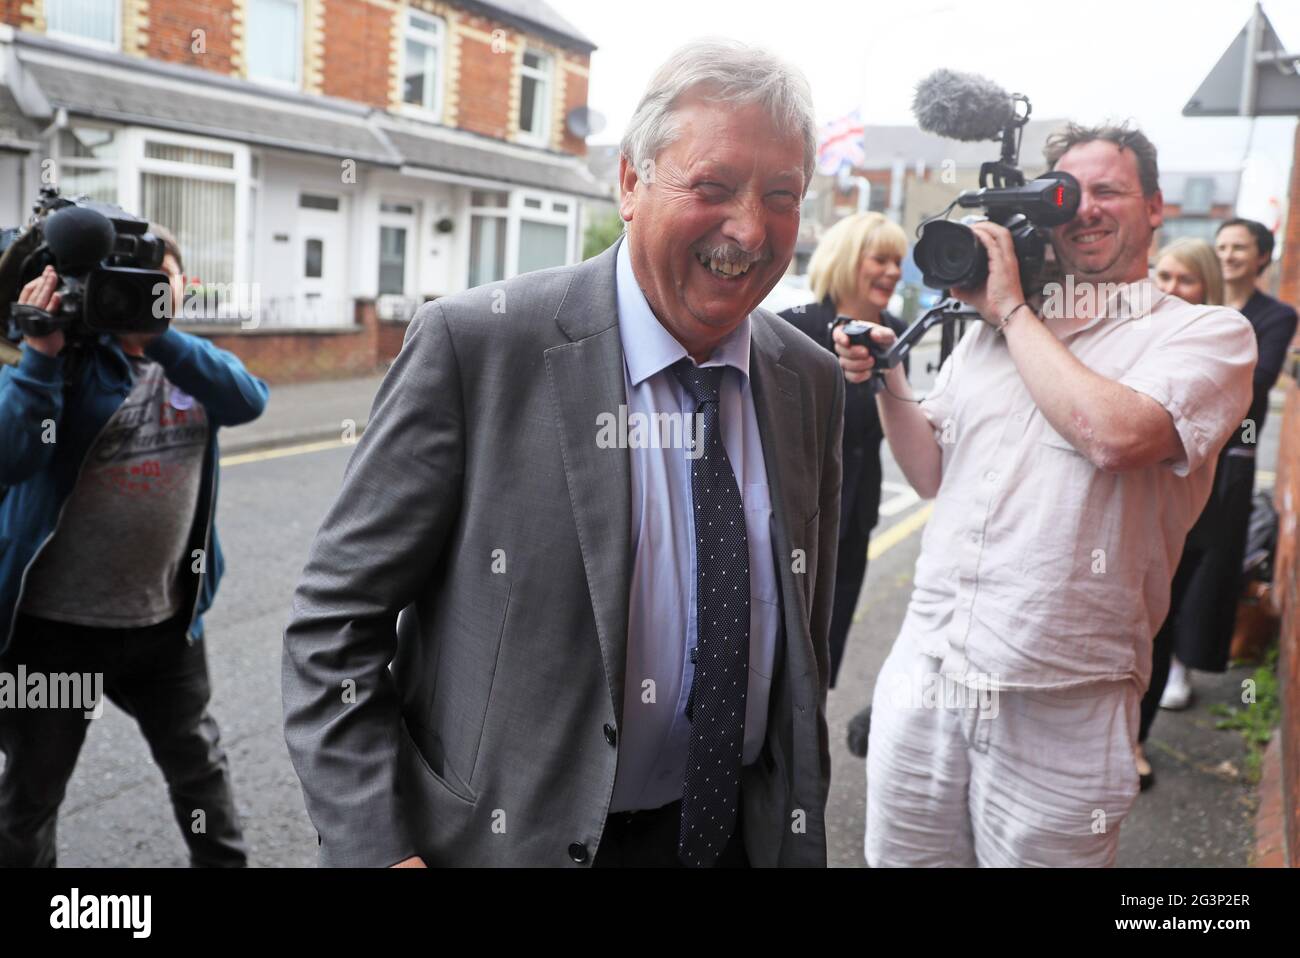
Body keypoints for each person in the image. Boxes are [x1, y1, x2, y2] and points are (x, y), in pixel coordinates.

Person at [282, 40, 844, 868]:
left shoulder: (812, 381)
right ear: (629, 182)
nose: (750, 229)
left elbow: (803, 638)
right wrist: (377, 850)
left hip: (728, 840)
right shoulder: (477, 346)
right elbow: (334, 627)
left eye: (782, 195)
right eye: (712, 187)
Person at [837, 122, 1256, 866]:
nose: (1085, 208)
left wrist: (1014, 313)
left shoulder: (1208, 334)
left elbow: (1114, 435)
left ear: (1156, 207)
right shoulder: (989, 336)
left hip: (1065, 699)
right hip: (927, 672)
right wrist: (887, 379)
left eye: (1109, 191)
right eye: (1068, 192)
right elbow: (932, 472)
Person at [0, 225, 268, 867]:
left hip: (165, 627)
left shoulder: (193, 366)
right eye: (125, 284)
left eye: (158, 282)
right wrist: (40, 352)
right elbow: (12, 454)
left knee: (199, 773)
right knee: (33, 793)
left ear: (184, 290)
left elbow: (248, 400)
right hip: (53, 635)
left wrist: (160, 338)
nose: (140, 296)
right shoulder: (61, 365)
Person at [779, 211, 906, 754]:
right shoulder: (794, 326)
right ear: (847, 261)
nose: (893, 271)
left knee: (828, 634)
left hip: (853, 517)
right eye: (881, 258)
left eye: (899, 261)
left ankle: (806, 738)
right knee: (779, 631)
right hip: (794, 514)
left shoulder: (895, 333)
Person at [1134, 238, 1256, 790]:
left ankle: (1136, 741)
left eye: (1185, 279)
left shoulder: (1220, 340)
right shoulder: (1133, 336)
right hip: (1131, 509)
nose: (1171, 289)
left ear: (1206, 285)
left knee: (1160, 627)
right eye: (1163, 276)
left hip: (1190, 508)